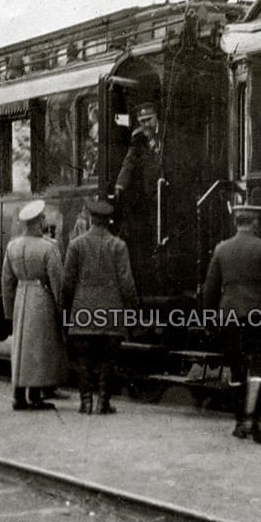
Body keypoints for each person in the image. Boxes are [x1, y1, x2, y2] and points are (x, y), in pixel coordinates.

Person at [204, 202, 261, 444]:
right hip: (259, 314)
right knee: (258, 369)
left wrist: (209, 319)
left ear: (236, 222)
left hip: (229, 314)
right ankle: (254, 422)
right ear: (255, 222)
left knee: (237, 370)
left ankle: (239, 423)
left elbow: (210, 289)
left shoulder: (221, 249)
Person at [62, 197, 138, 415]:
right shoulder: (118, 246)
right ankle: (103, 402)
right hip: (111, 312)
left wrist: (65, 310)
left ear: (91, 218)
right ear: (108, 221)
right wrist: (131, 308)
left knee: (84, 359)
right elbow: (126, 281)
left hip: (83, 310)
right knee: (108, 359)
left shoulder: (76, 245)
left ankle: (85, 403)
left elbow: (68, 282)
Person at [1, 199, 68, 410]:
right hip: (41, 298)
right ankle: (35, 396)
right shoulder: (48, 247)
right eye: (42, 220)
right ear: (38, 222)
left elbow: (6, 281)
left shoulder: (12, 246)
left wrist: (9, 309)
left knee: (21, 348)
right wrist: (61, 307)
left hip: (21, 296)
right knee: (39, 348)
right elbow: (57, 281)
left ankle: (19, 396)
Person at [113, 102, 165, 287]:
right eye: (142, 121)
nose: (146, 125)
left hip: (168, 195)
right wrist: (120, 184)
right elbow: (129, 162)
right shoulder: (138, 139)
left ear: (156, 117)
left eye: (149, 120)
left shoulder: (166, 134)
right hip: (150, 196)